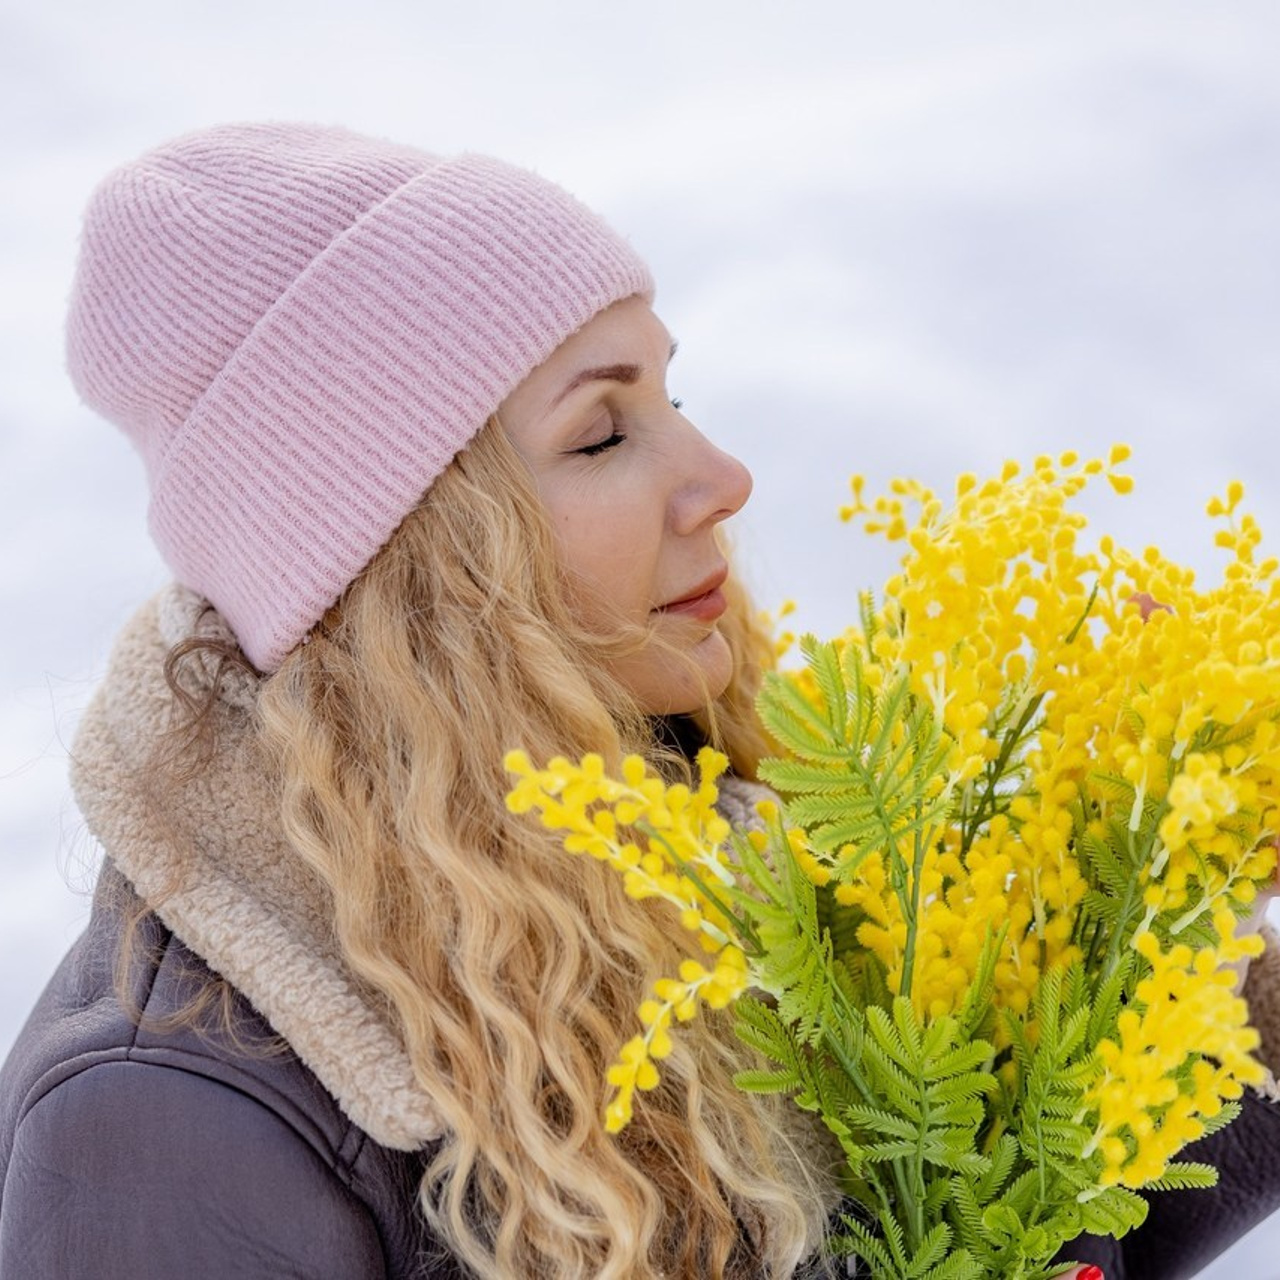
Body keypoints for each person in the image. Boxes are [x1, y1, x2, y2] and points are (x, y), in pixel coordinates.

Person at [0, 122, 1277, 1280]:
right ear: (420, 568)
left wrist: (1152, 900)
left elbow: (981, 1197)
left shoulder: (705, 819)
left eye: (674, 397)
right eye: (602, 433)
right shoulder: (160, 1120)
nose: (720, 477)